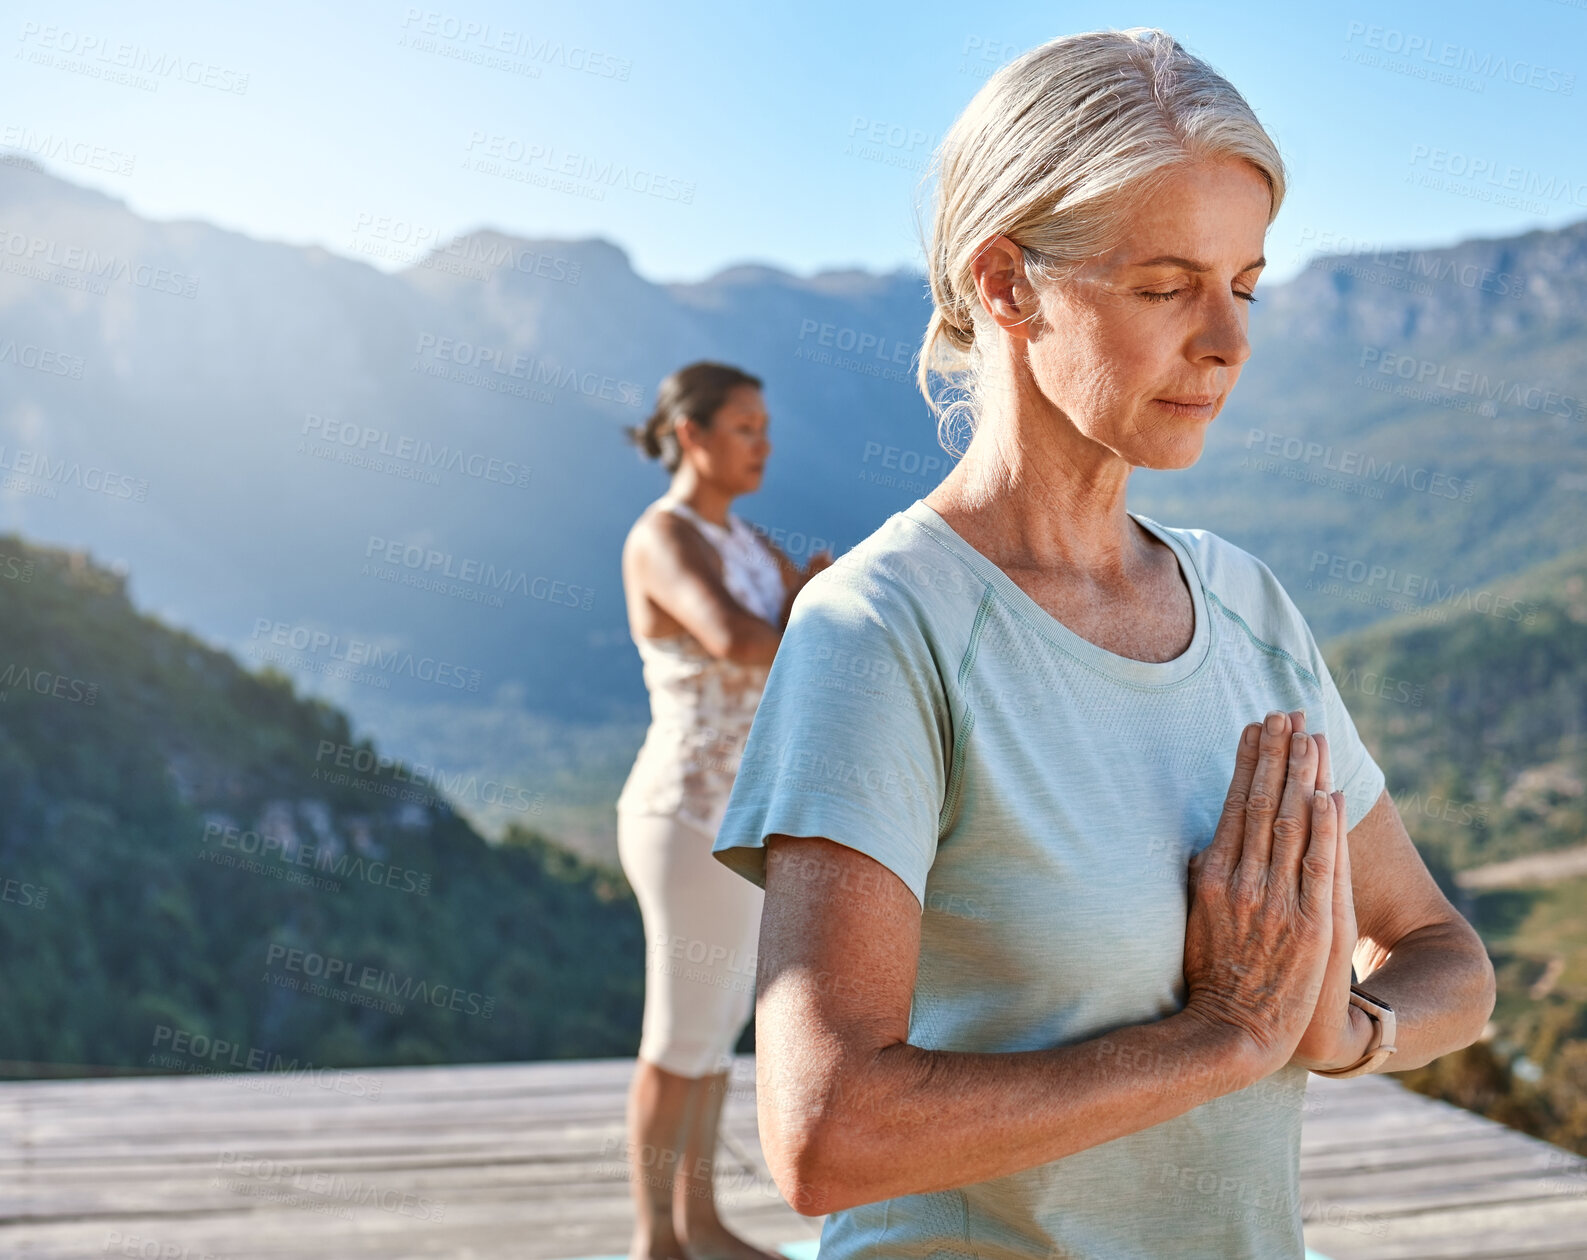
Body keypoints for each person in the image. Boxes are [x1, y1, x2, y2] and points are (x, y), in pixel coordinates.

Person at [709, 27, 1496, 1258]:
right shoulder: (884, 629)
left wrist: (1341, 1028)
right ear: (1008, 284)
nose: (1229, 344)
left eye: (1245, 285)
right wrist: (1218, 1037)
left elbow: (1447, 954)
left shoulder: (1249, 608)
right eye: (1166, 285)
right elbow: (825, 1136)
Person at [616, 361, 832, 1260]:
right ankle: (652, 1243)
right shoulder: (663, 538)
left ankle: (698, 1226)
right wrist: (812, 604)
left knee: (710, 1037)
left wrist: (815, 593)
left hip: (740, 819)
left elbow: (801, 612)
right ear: (692, 435)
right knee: (676, 1035)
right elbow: (740, 640)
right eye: (744, 427)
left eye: (765, 427)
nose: (763, 445)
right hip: (686, 815)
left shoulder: (740, 537)